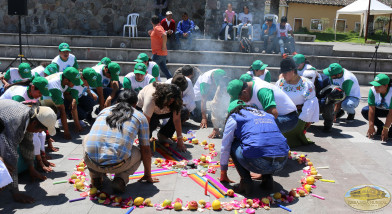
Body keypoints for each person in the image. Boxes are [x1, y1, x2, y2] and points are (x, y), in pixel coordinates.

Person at [83, 90, 159, 193]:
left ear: (117, 101)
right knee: (138, 152)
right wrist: (147, 175)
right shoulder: (140, 117)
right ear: (135, 104)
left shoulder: (104, 111)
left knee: (88, 138)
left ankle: (95, 176)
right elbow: (145, 149)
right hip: (118, 165)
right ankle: (121, 179)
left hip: (91, 161)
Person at [219, 100, 289, 194]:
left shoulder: (235, 116)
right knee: (267, 143)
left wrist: (223, 172)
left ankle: (246, 182)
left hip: (259, 161)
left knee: (233, 143)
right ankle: (267, 179)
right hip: (281, 161)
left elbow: (225, 145)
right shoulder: (266, 114)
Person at [0, 100, 56, 203]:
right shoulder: (16, 125)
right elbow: (10, 157)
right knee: (5, 164)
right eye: (40, 130)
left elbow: (28, 144)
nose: (40, 132)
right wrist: (16, 192)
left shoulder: (30, 117)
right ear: (35, 123)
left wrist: (32, 168)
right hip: (4, 124)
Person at [0, 76, 56, 171]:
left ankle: (38, 160)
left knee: (38, 136)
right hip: (5, 122)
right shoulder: (19, 97)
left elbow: (32, 134)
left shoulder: (34, 97)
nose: (40, 95)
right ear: (33, 87)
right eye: (39, 92)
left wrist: (41, 158)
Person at [227, 78, 298, 134]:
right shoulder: (247, 92)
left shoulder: (262, 90)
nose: (241, 101)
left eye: (239, 98)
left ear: (244, 92)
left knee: (254, 126)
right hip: (275, 117)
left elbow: (273, 115)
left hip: (288, 118)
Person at [275, 58, 319, 147]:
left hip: (298, 114)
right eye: (282, 73)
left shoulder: (306, 84)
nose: (283, 75)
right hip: (282, 112)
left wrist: (305, 119)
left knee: (288, 132)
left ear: (292, 71)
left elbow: (310, 102)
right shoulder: (280, 82)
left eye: (285, 73)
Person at [136, 83, 187, 152]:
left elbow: (177, 119)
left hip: (160, 110)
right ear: (163, 97)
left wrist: (180, 139)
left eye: (173, 101)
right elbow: (145, 122)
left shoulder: (175, 99)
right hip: (143, 110)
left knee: (184, 112)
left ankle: (163, 134)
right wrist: (145, 145)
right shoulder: (152, 97)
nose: (170, 103)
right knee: (153, 123)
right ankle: (144, 140)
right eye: (169, 100)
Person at [45, 67, 83, 139]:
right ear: (66, 80)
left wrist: (73, 103)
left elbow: (66, 93)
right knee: (58, 112)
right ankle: (46, 131)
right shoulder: (54, 86)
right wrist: (67, 132)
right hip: (43, 103)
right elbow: (62, 110)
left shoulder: (64, 77)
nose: (75, 85)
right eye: (74, 82)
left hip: (53, 98)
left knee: (70, 104)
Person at [362, 74, 392, 141]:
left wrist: (386, 128)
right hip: (380, 109)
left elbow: (391, 113)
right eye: (374, 85)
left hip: (390, 111)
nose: (375, 88)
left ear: (386, 86)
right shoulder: (372, 90)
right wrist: (371, 125)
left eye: (378, 86)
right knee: (365, 110)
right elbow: (371, 109)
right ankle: (380, 126)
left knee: (390, 135)